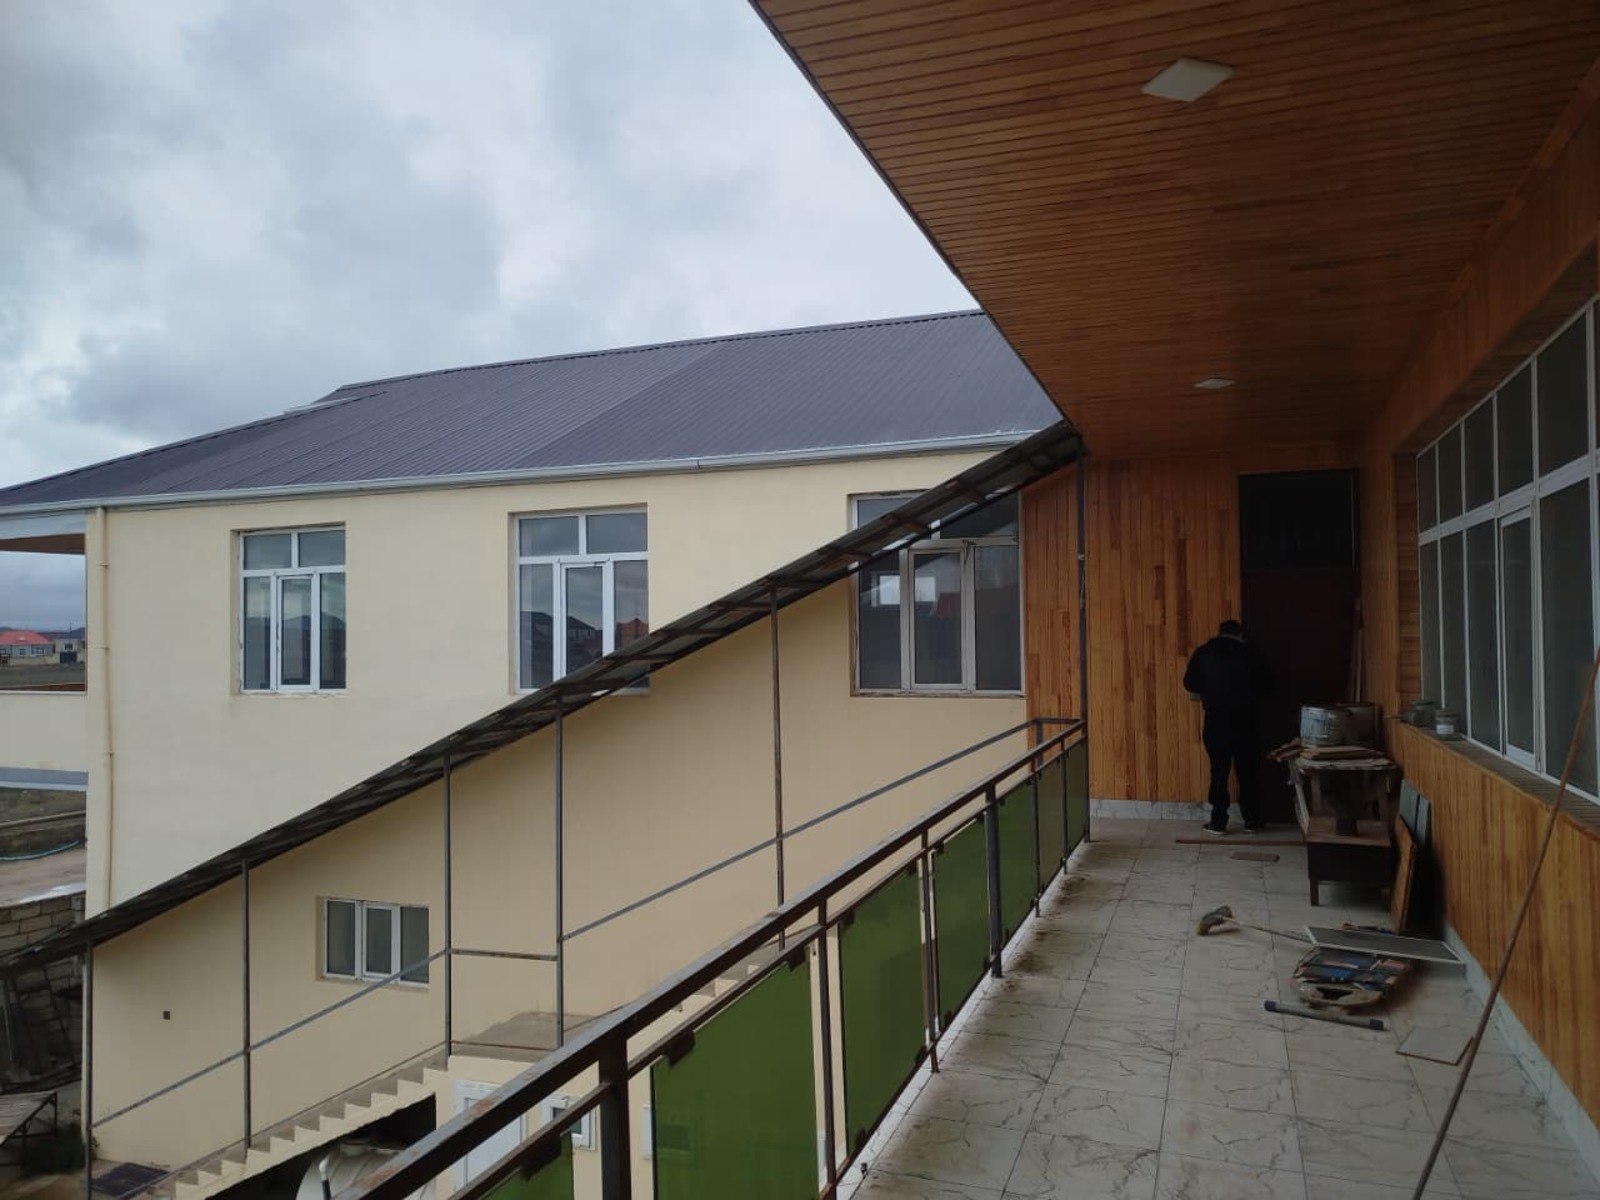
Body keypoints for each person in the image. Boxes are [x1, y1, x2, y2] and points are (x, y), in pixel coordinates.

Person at [1183, 619, 1275, 834]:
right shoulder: (1251, 653)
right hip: (1245, 719)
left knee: (1218, 771)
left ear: (1220, 633)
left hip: (1216, 719)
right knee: (1248, 771)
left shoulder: (1203, 653)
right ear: (1240, 634)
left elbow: (1189, 683)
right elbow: (1268, 684)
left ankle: (1218, 821)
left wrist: (1210, 689)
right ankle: (1252, 820)